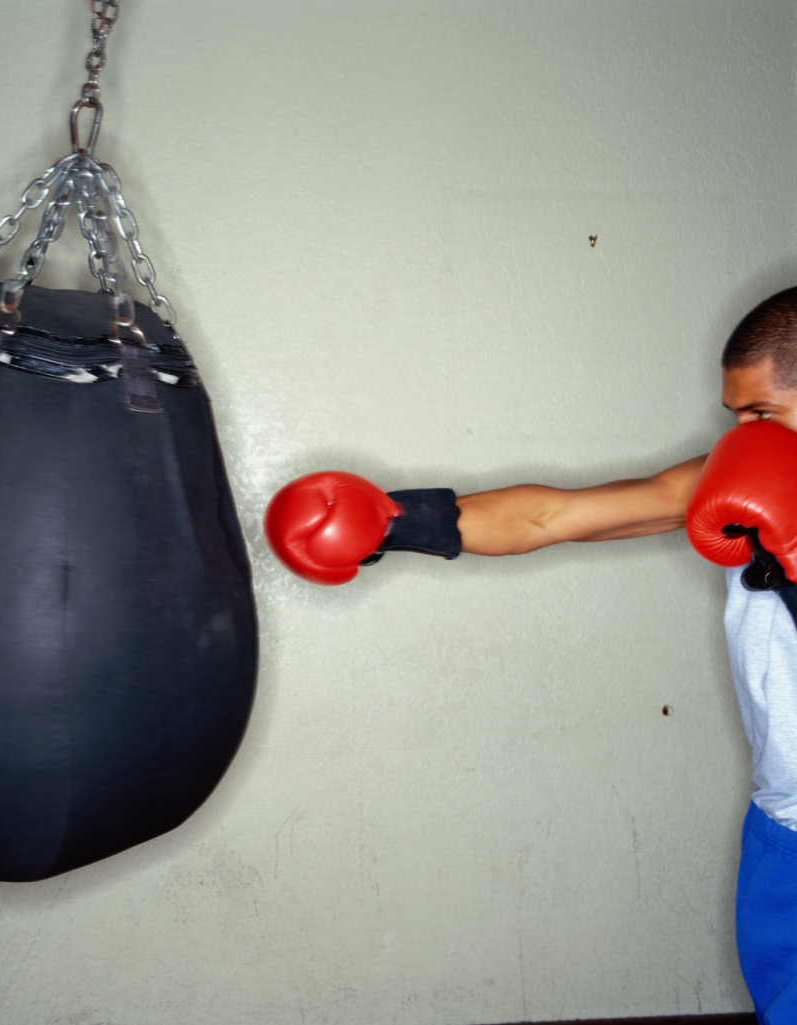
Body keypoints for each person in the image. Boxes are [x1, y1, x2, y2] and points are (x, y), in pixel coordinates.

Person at [265, 287, 797, 1024]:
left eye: (761, 413)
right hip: (782, 828)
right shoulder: (741, 479)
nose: (743, 436)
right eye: (734, 416)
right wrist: (392, 521)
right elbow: (555, 514)